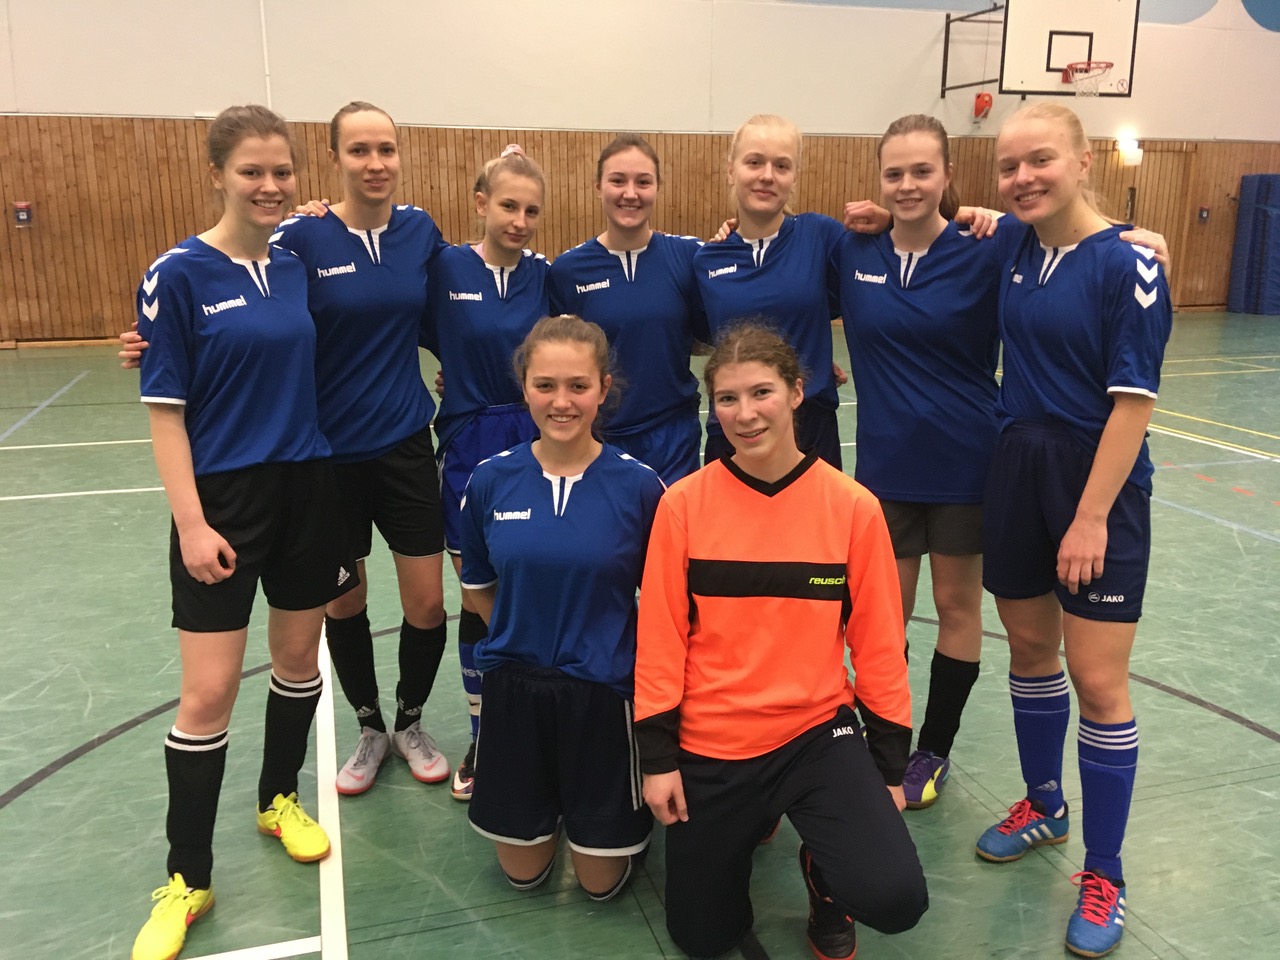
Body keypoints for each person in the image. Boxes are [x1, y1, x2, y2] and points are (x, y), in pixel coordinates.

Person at [121, 102, 454, 797]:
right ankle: (369, 727)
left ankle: (410, 720)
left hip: (403, 443)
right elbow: (234, 293)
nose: (375, 163)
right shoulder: (299, 238)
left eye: (386, 149)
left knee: (427, 603)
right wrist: (148, 341)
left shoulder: (420, 231)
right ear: (334, 160)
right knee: (343, 604)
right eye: (358, 150)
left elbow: (449, 309)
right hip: (325, 456)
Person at [130, 105, 356, 960]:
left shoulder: (296, 263)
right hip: (223, 499)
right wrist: (192, 524)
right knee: (208, 694)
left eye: (281, 171)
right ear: (217, 175)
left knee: (298, 659)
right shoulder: (177, 274)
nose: (269, 185)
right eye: (251, 171)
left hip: (309, 485)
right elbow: (166, 412)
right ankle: (187, 877)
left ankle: (277, 799)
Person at [635, 323, 929, 960]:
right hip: (713, 740)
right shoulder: (683, 506)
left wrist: (888, 769)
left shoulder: (852, 508)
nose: (744, 414)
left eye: (761, 392)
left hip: (815, 734)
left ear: (797, 392)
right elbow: (660, 639)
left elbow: (880, 646)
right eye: (727, 398)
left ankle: (824, 874)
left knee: (894, 897)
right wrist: (657, 759)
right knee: (702, 938)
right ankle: (742, 838)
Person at [973, 103, 1171, 959]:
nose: (1023, 177)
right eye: (1009, 165)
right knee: (1028, 647)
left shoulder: (1131, 264)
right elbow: (955, 220)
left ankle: (1106, 871)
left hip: (1098, 482)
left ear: (1084, 160)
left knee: (1097, 681)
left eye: (1041, 159)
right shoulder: (1014, 247)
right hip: (1017, 464)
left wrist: (1091, 516)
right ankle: (1045, 804)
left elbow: (1134, 403)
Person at [458, 314, 664, 899]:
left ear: (604, 388)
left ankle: (600, 810)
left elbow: (664, 604)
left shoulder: (640, 487)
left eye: (578, 386)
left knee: (600, 884)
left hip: (602, 692)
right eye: (545, 385)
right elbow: (478, 584)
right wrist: (524, 636)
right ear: (524, 387)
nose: (562, 402)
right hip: (515, 691)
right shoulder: (491, 480)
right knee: (523, 875)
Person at [834, 115, 1004, 811]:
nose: (907, 185)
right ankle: (887, 743)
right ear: (879, 179)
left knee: (958, 606)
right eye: (895, 173)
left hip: (967, 463)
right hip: (886, 469)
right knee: (885, 618)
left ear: (946, 175)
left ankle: (934, 747)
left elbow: (1073, 236)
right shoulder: (852, 251)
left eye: (922, 172)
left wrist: (1138, 239)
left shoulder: (985, 248)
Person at [421, 146, 551, 800]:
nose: (519, 221)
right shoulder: (442, 268)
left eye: (531, 210)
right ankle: (485, 734)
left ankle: (544, 722)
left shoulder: (548, 276)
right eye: (507, 206)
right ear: (480, 204)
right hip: (469, 447)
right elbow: (373, 314)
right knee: (480, 595)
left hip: (540, 443)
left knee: (539, 585)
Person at [692, 114, 864, 469]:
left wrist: (954, 214)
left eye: (781, 165)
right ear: (731, 170)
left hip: (810, 429)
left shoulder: (821, 237)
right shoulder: (706, 259)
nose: (767, 175)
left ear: (794, 176)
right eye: (754, 162)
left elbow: (898, 249)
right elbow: (700, 336)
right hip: (734, 429)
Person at [548, 134, 708, 485]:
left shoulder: (690, 257)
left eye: (643, 182)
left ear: (657, 187)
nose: (630, 193)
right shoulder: (567, 271)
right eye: (618, 180)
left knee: (670, 522)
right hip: (599, 441)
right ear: (598, 187)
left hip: (673, 438)